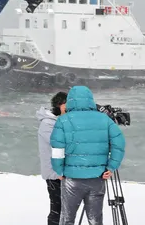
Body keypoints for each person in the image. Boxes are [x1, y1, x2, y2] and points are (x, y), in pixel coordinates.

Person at [50, 86, 126, 225]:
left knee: (67, 219)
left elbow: (57, 149)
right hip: (97, 178)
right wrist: (111, 167)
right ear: (90, 99)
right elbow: (119, 144)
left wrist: (59, 170)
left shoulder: (63, 120)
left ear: (70, 100)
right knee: (95, 219)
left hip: (72, 178)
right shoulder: (104, 119)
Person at [38, 92, 67, 225]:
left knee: (65, 209)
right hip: (53, 174)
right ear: (59, 105)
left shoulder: (61, 121)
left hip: (63, 171)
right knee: (57, 208)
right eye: (67, 105)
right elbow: (58, 143)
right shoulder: (48, 123)